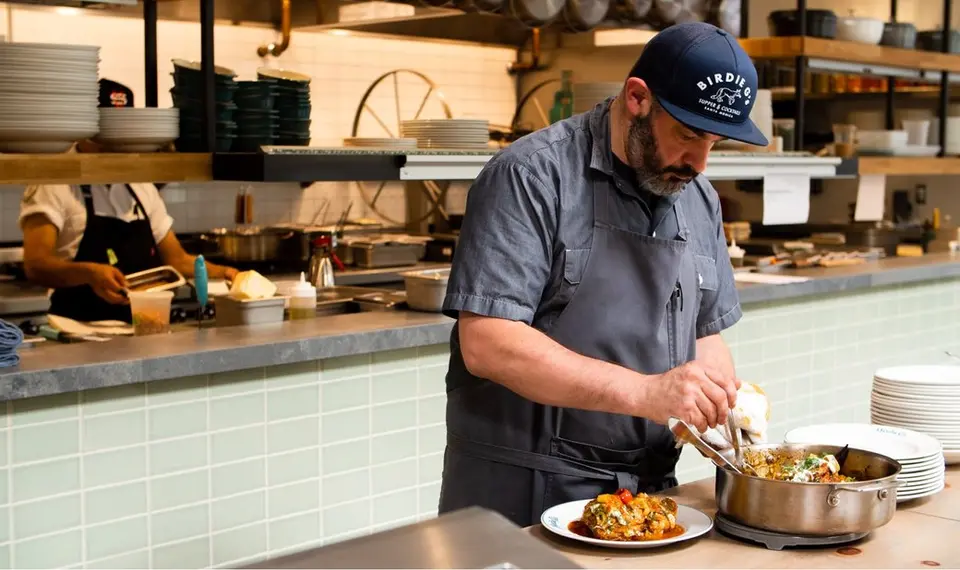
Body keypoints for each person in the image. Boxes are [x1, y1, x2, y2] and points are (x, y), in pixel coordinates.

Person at [438, 22, 769, 527]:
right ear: (637, 98)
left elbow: (705, 333)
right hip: (523, 492)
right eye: (688, 135)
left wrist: (721, 413)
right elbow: (488, 343)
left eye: (715, 143)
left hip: (647, 497)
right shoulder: (531, 176)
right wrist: (647, 394)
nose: (700, 163)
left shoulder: (697, 198)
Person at [19, 79, 238, 323]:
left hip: (140, 329)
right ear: (85, 131)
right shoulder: (54, 182)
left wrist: (229, 273)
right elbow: (36, 266)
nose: (116, 144)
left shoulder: (139, 183)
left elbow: (177, 260)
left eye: (121, 133)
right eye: (107, 134)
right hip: (77, 331)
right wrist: (89, 273)